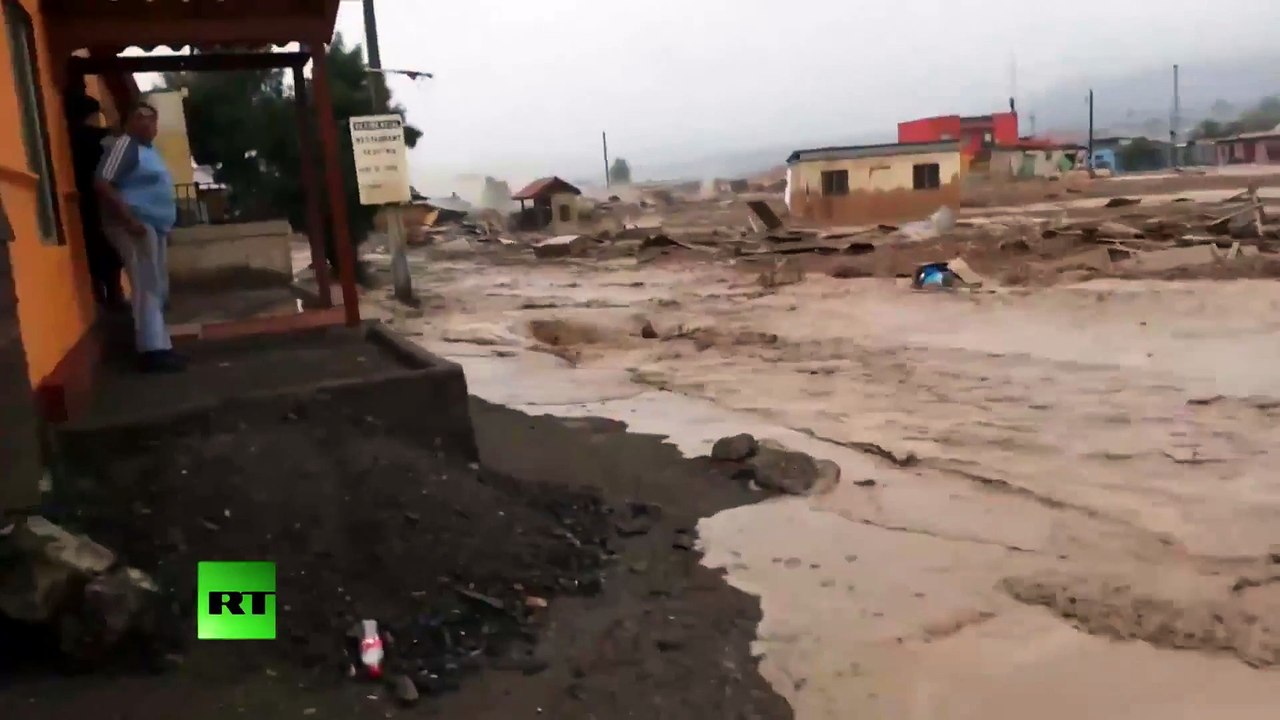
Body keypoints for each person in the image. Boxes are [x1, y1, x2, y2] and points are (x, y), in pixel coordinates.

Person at [94, 102, 184, 373]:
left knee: (155, 286)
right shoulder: (125, 145)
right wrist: (129, 219)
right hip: (134, 225)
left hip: (152, 227)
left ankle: (161, 346)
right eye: (139, 117)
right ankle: (151, 351)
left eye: (151, 119)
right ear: (127, 122)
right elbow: (102, 182)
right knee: (146, 285)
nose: (146, 123)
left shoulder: (148, 151)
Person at [64, 90, 123, 308]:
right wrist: (109, 112)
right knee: (110, 247)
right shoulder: (94, 137)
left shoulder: (70, 136)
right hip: (101, 198)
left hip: (83, 200)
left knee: (94, 247)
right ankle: (114, 295)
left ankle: (99, 294)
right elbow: (118, 135)